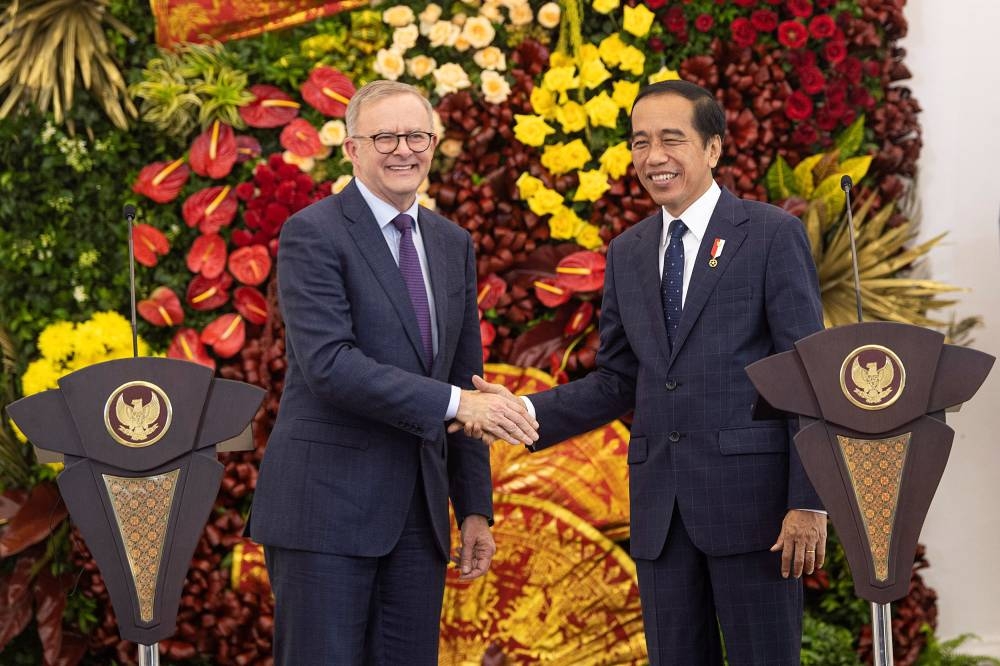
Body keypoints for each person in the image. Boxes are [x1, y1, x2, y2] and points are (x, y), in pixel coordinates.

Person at [461, 80, 827, 665]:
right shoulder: (628, 251)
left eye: (672, 140)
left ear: (713, 148)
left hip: (756, 511)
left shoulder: (769, 235)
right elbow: (616, 379)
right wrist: (524, 411)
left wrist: (810, 502)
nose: (653, 157)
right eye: (640, 143)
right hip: (660, 511)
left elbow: (808, 372)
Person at [247, 80, 538, 665]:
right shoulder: (313, 233)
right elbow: (330, 365)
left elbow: (468, 378)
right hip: (325, 513)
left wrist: (475, 508)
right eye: (385, 136)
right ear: (351, 148)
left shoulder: (452, 243)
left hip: (419, 520)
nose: (403, 149)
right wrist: (458, 404)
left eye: (417, 135)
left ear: (434, 144)